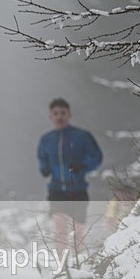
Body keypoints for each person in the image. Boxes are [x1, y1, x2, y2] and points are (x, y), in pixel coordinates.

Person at [37, 98, 103, 252]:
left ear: (69, 115)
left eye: (63, 113)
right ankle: (62, 268)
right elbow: (42, 158)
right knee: (60, 230)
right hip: (57, 190)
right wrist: (44, 168)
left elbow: (96, 157)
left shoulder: (81, 136)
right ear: (50, 117)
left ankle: (77, 265)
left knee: (77, 232)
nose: (59, 116)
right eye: (55, 113)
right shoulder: (46, 140)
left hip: (78, 189)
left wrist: (82, 166)